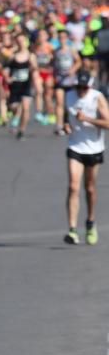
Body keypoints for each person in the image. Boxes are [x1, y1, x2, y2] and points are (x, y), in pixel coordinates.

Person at [63, 71, 109, 245]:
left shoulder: (97, 98)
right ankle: (72, 230)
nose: (81, 90)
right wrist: (66, 126)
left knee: (89, 188)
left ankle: (90, 221)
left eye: (85, 87)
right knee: (73, 186)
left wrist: (88, 119)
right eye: (78, 87)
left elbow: (108, 122)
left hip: (94, 148)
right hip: (75, 146)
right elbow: (66, 117)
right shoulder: (69, 96)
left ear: (90, 86)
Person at [6, 34, 38, 141]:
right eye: (18, 40)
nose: (20, 43)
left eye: (22, 40)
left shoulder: (30, 56)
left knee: (26, 107)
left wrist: (36, 83)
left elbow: (35, 70)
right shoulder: (13, 56)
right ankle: (16, 115)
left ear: (26, 42)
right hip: (15, 85)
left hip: (26, 85)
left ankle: (22, 130)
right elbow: (6, 69)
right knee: (13, 107)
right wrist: (8, 78)